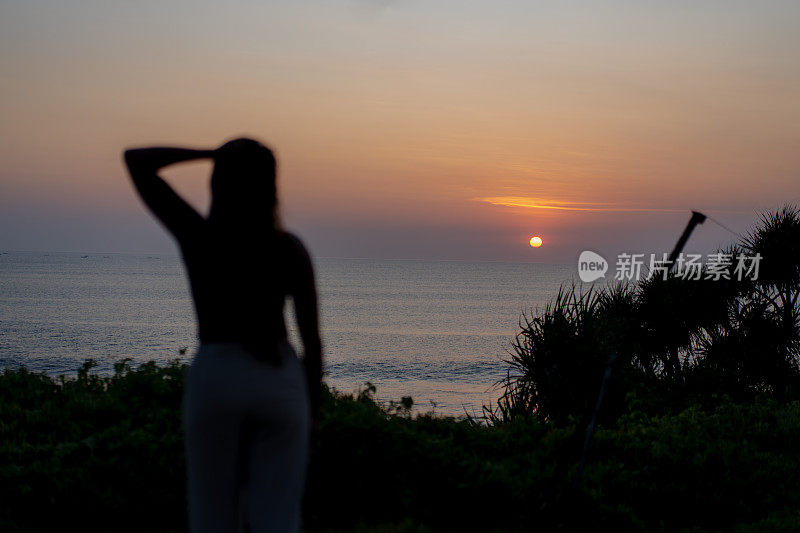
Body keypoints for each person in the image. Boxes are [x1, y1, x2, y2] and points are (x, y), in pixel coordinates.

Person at [123, 138, 322, 533]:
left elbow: (137, 161)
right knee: (277, 518)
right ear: (271, 186)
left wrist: (213, 154)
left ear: (218, 183)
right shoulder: (289, 249)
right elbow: (312, 341)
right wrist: (313, 409)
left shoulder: (200, 237)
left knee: (212, 515)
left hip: (217, 376)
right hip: (277, 377)